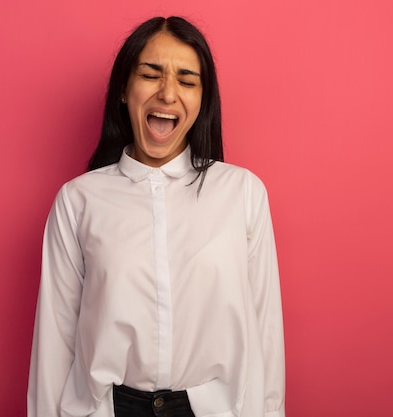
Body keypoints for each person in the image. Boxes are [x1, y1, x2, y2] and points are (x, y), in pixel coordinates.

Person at [28, 16, 285, 417]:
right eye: (150, 75)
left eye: (186, 80)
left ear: (203, 101)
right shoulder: (78, 202)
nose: (168, 93)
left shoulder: (243, 193)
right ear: (124, 92)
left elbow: (266, 334)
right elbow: (54, 346)